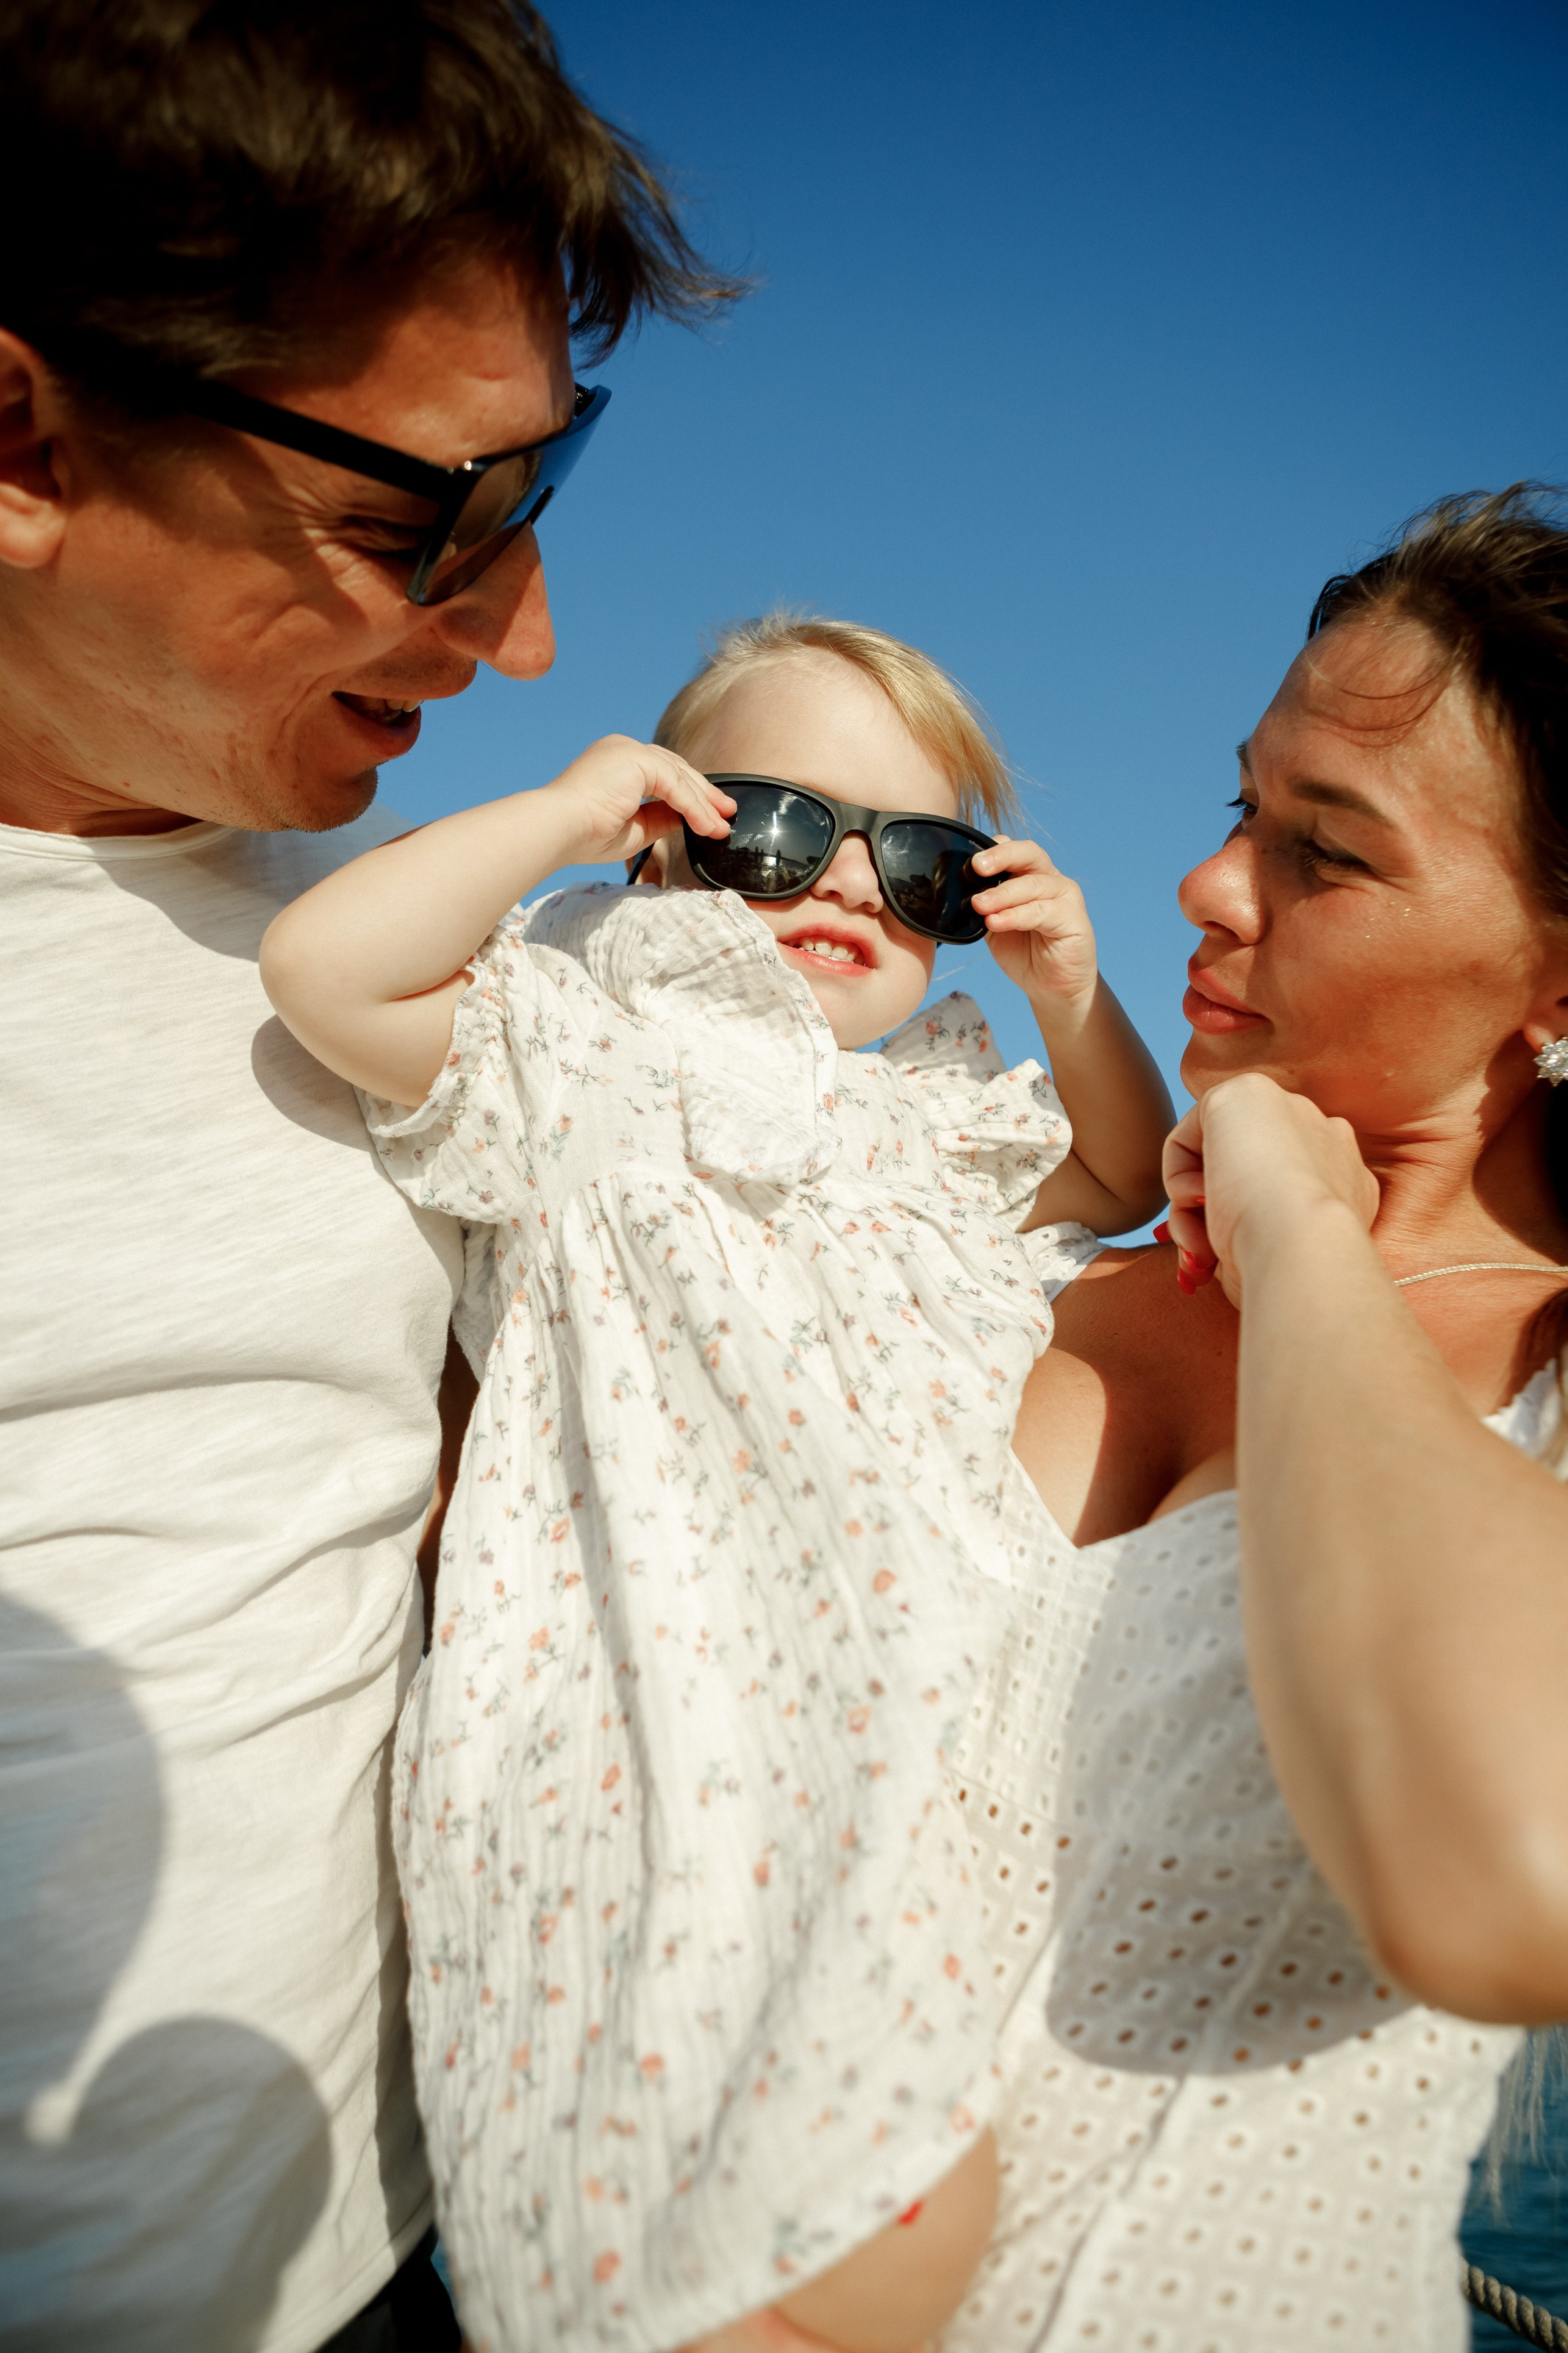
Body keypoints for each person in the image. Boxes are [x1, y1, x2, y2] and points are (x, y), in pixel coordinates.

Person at [0, 4, 736, 2347]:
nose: (520, 639)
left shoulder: (420, 999)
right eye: (425, 516)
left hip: (401, 2273)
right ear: (19, 432)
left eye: (547, 488)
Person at [256, 615, 1174, 2352]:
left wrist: (1066, 987)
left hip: (937, 1744)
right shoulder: (583, 1046)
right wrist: (557, 813)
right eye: (775, 825)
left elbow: (1117, 1165)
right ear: (670, 832)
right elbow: (328, 969)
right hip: (649, 1733)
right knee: (669, 2235)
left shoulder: (934, 1114)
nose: (844, 880)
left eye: (922, 863)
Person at [938, 488, 1568, 2352]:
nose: (1212, 888)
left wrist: (1301, 1229)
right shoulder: (1033, 1280)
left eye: (1328, 853)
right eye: (1240, 808)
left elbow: (1511, 1875)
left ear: (1554, 973)